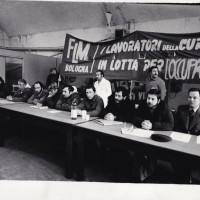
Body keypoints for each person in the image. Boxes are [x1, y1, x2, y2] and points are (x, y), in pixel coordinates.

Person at [132, 89, 174, 182]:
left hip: (157, 138)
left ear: (158, 101)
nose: (149, 101)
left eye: (152, 99)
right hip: (142, 135)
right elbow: (134, 117)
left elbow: (170, 125)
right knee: (138, 152)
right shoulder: (143, 104)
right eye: (148, 98)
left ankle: (147, 173)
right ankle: (136, 175)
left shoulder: (164, 107)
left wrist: (153, 125)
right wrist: (141, 122)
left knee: (151, 153)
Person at [173, 88, 200, 183]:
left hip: (196, 148)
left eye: (195, 98)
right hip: (181, 144)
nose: (191, 100)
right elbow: (175, 126)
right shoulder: (181, 109)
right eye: (189, 97)